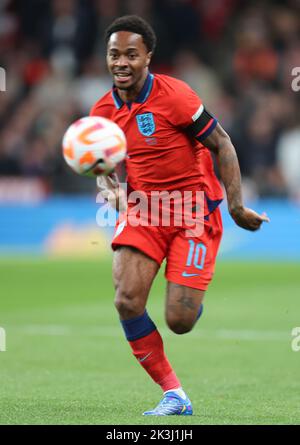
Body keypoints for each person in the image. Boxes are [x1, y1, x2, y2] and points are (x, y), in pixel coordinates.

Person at [90, 15, 269, 416]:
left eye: (131, 54)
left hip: (192, 211)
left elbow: (222, 143)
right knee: (127, 300)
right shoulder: (101, 112)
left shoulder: (177, 97)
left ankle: (188, 295)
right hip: (143, 212)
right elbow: (102, 170)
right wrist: (110, 190)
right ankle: (174, 394)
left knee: (180, 320)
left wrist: (236, 206)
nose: (121, 62)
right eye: (114, 54)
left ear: (148, 57)